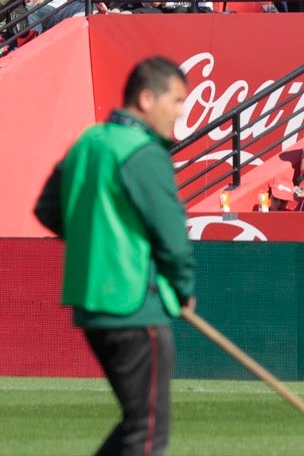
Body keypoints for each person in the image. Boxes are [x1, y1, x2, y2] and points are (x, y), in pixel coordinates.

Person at [33, 57, 194, 456]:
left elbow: (48, 209)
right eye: (176, 101)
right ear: (146, 99)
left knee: (137, 423)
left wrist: (97, 240)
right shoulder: (145, 153)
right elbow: (172, 237)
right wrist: (184, 288)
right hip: (135, 304)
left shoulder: (89, 141)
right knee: (147, 431)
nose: (180, 111)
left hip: (92, 305)